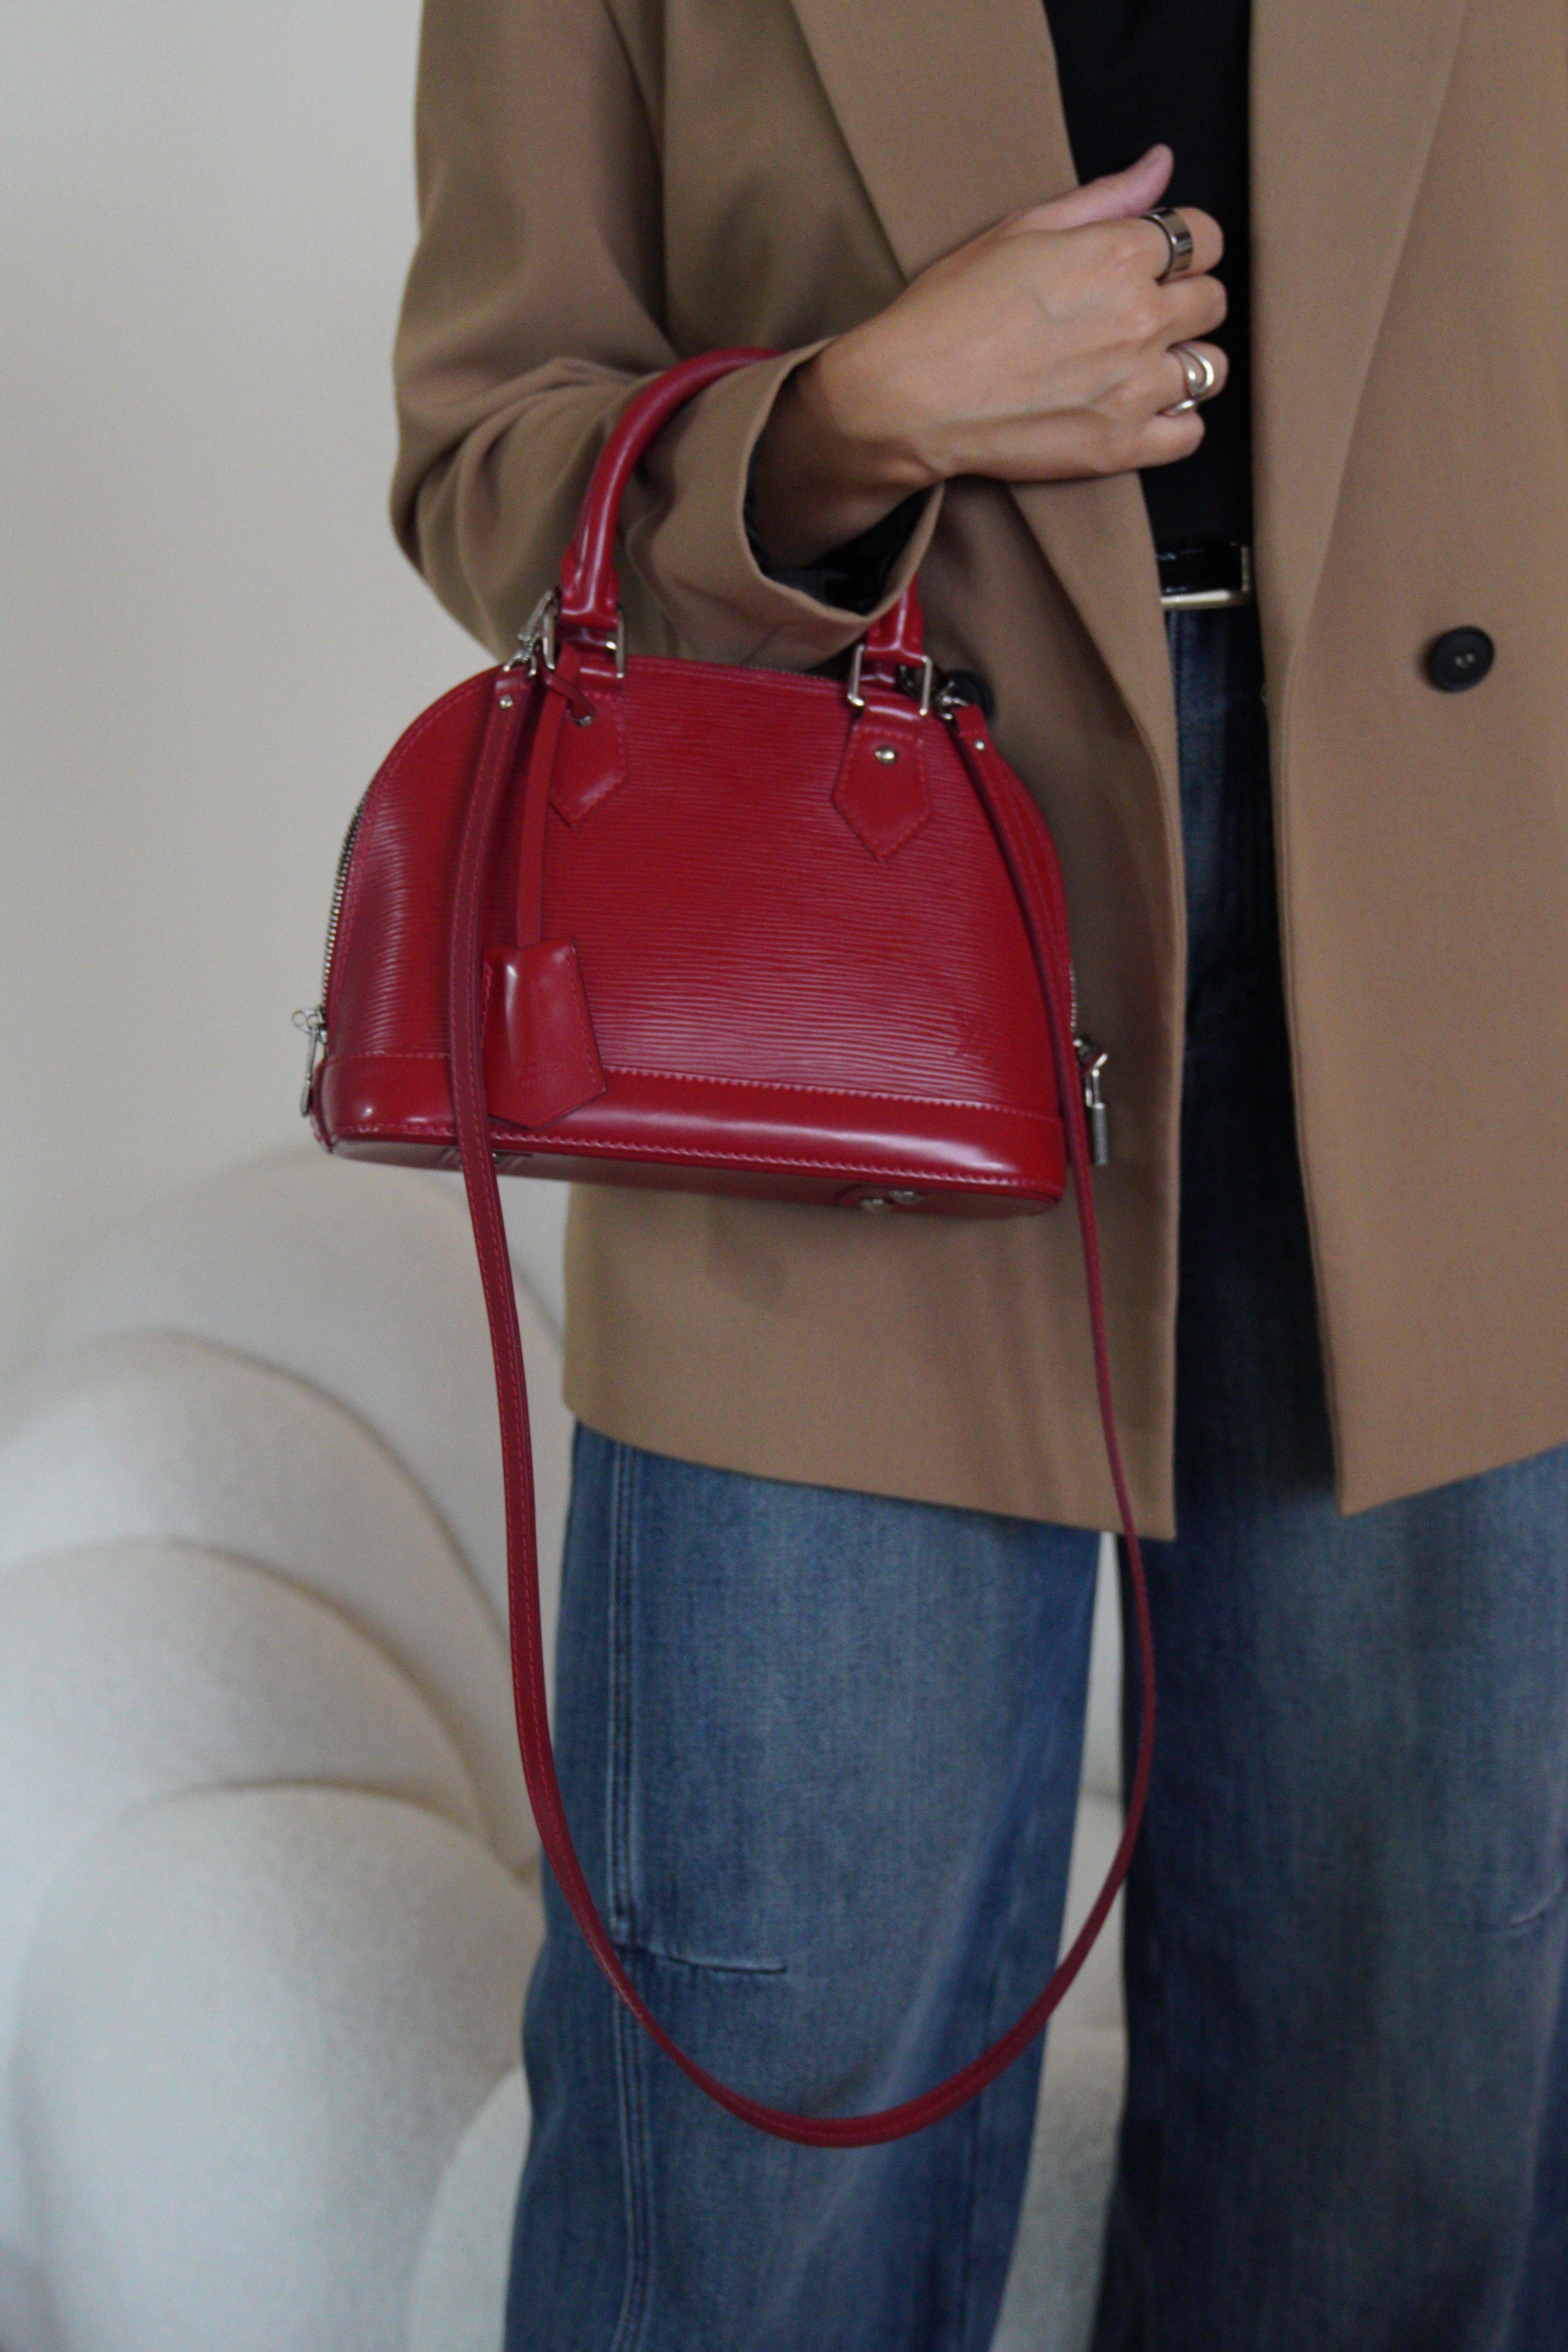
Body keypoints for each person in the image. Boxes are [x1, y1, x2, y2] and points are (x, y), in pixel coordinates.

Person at [390, 4, 1568, 2346]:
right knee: (770, 2081)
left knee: (1408, 2072)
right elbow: (487, 467)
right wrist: (847, 419)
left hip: (1470, 933)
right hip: (848, 934)